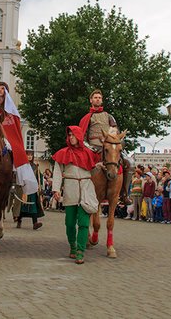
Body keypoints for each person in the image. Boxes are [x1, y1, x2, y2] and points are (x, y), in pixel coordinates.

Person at [51, 126, 98, 264]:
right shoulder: (63, 153)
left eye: (73, 135)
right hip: (70, 189)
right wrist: (56, 189)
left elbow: (93, 172)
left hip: (86, 188)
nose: (71, 137)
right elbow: (58, 172)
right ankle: (73, 246)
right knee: (70, 223)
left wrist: (100, 168)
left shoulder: (89, 153)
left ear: (79, 136)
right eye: (69, 135)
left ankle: (80, 251)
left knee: (83, 223)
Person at [78, 89, 134, 204]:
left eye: (99, 97)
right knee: (80, 163)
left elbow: (115, 131)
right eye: (95, 97)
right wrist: (91, 148)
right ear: (91, 100)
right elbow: (82, 137)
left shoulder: (109, 116)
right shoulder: (87, 118)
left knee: (129, 162)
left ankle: (124, 194)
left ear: (102, 100)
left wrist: (113, 139)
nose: (97, 99)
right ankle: (80, 190)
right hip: (93, 147)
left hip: (109, 147)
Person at [17, 150, 44, 230]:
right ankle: (19, 220)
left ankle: (35, 223)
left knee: (33, 206)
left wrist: (40, 186)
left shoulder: (35, 167)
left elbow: (39, 177)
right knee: (23, 206)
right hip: (25, 189)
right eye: (28, 155)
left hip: (33, 189)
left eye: (31, 155)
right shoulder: (23, 166)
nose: (29, 156)